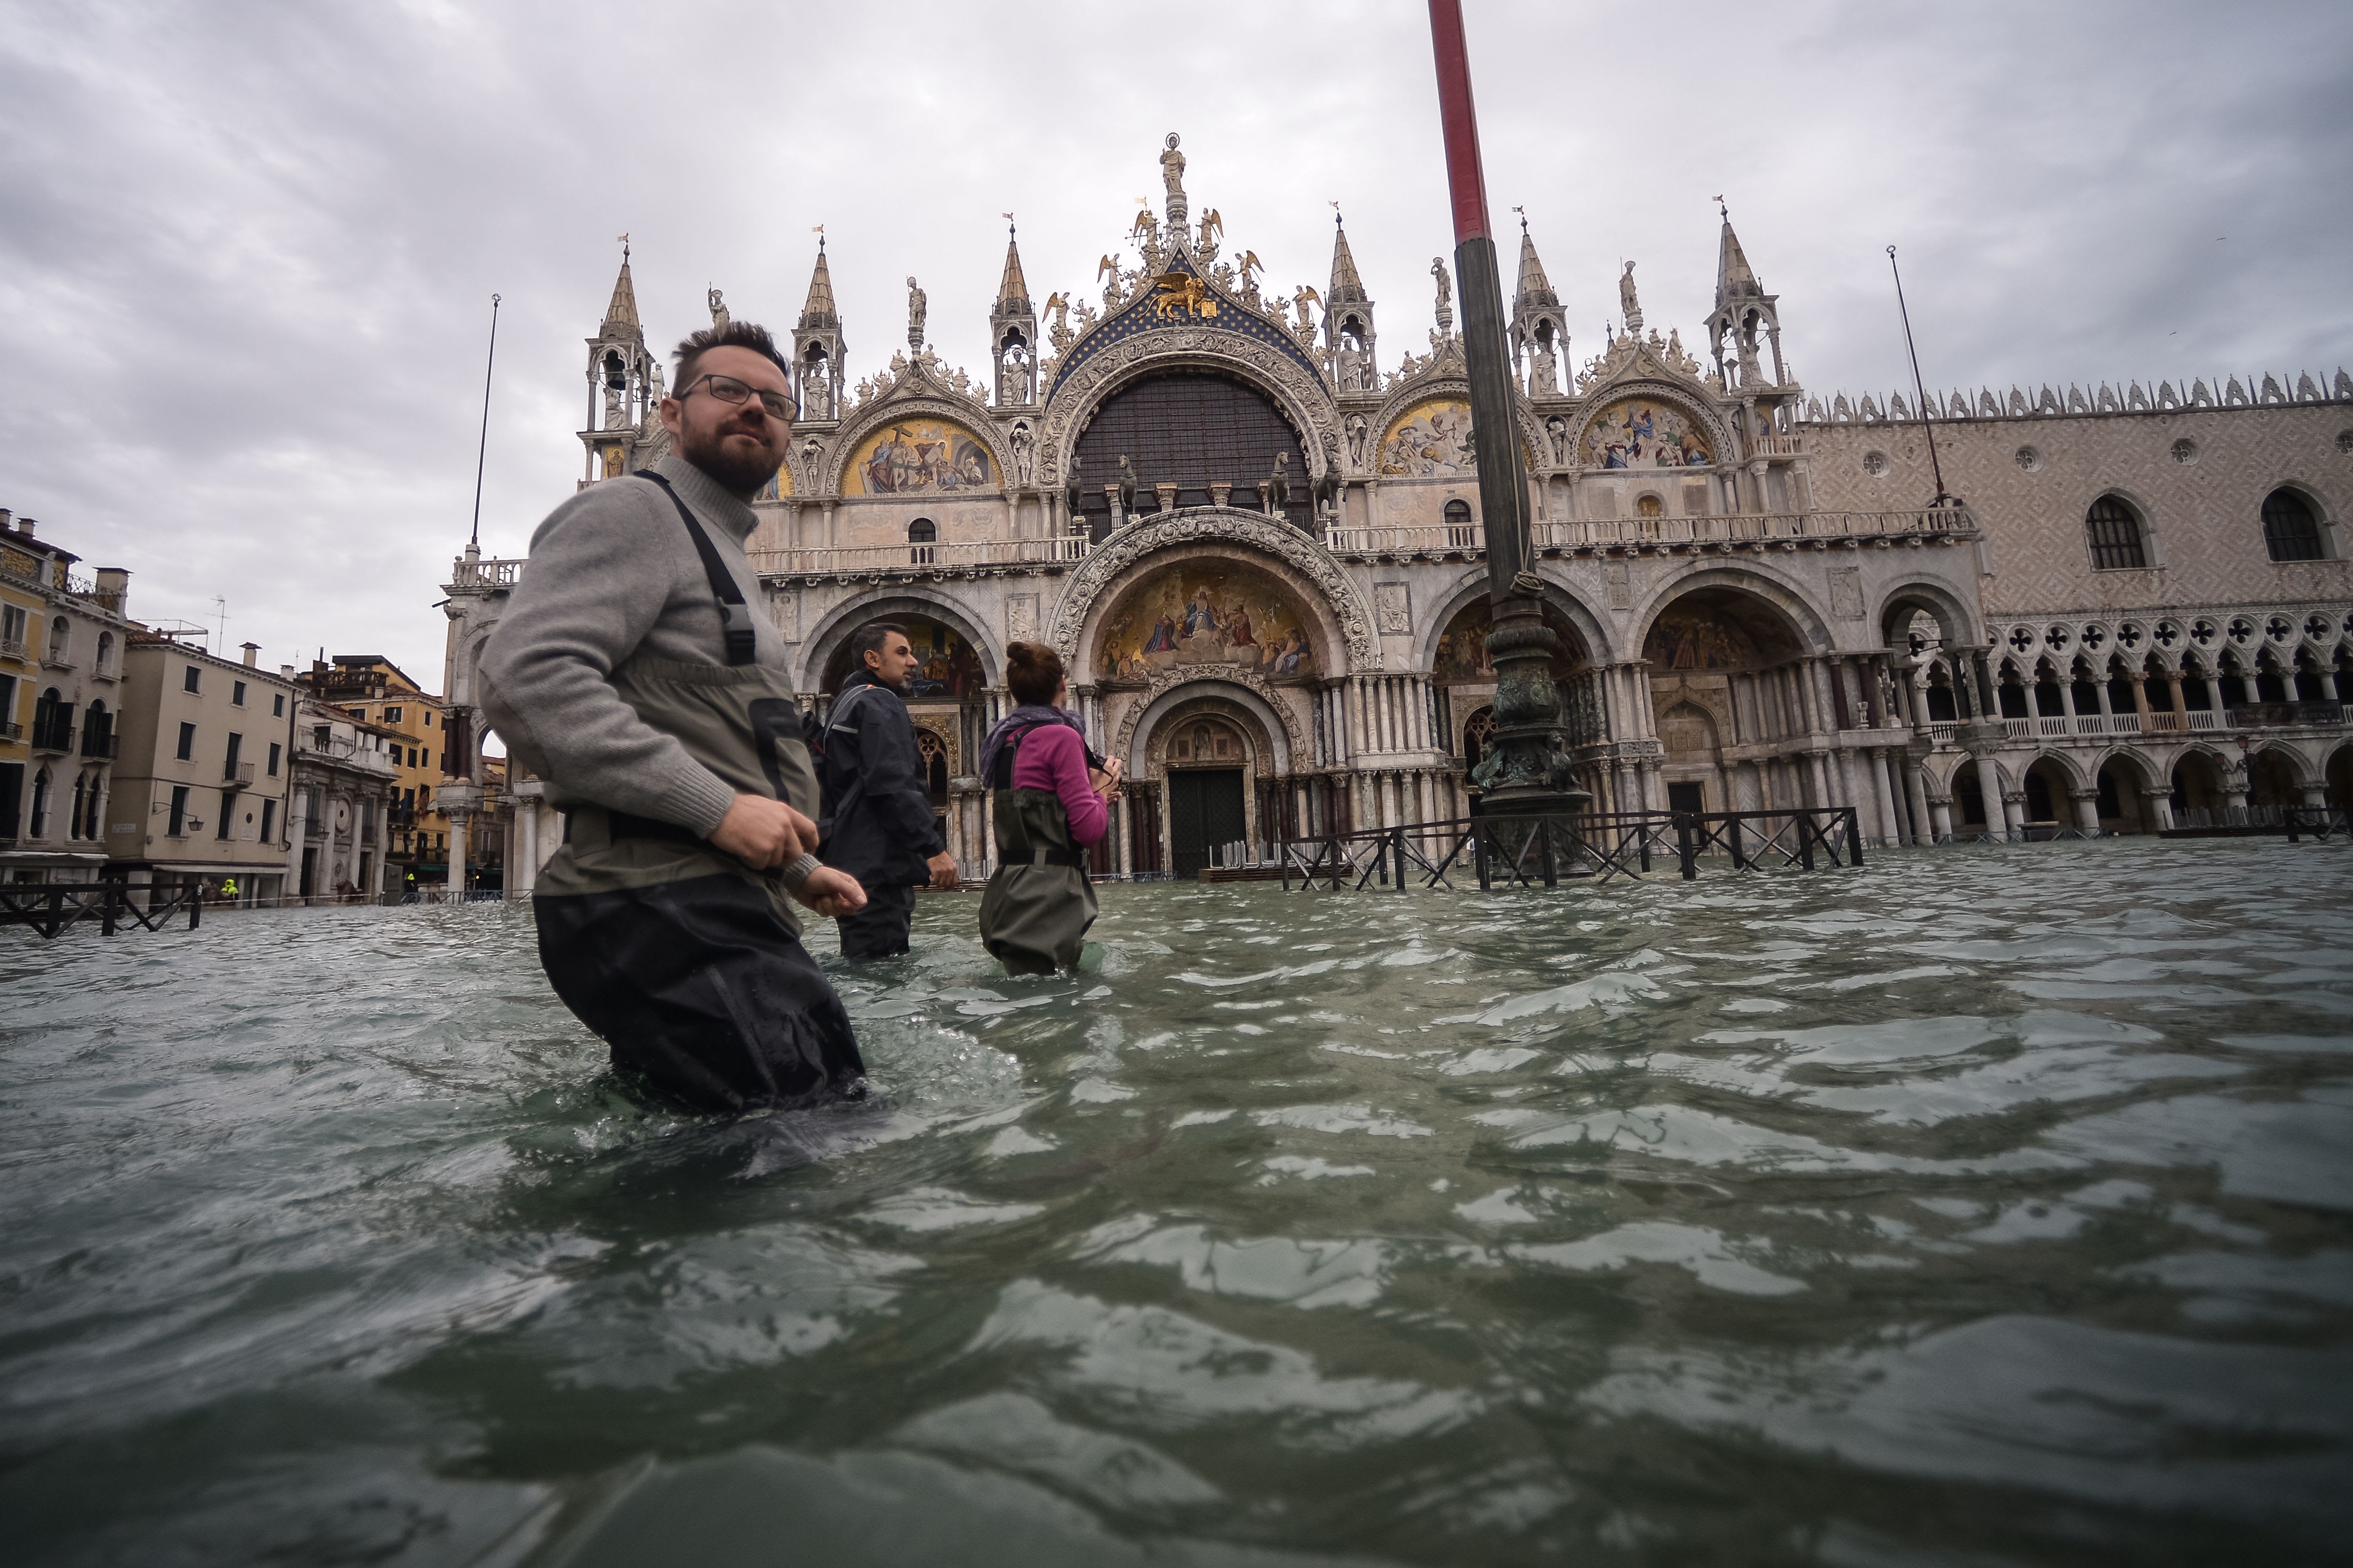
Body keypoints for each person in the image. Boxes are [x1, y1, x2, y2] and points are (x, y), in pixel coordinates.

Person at [479, 319, 871, 1114]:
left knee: (723, 1148)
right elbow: (524, 676)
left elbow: (718, 735)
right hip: (661, 901)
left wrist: (797, 869)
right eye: (726, 390)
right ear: (668, 413)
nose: (754, 409)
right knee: (813, 1140)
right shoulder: (634, 511)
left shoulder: (719, 546)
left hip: (702, 899)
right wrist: (720, 810)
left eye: (774, 401)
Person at [815, 622, 958, 961]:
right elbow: (891, 784)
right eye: (902, 652)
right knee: (882, 972)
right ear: (872, 659)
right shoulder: (880, 703)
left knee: (862, 966)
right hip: (877, 867)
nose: (913, 662)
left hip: (850, 863)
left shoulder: (846, 702)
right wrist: (933, 848)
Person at [976, 643, 1120, 975]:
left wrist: (1093, 797)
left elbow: (1032, 814)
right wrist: (1104, 788)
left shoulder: (1005, 739)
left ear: (1013, 692)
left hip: (1007, 894)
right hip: (1049, 900)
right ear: (1063, 685)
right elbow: (1089, 832)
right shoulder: (1063, 737)